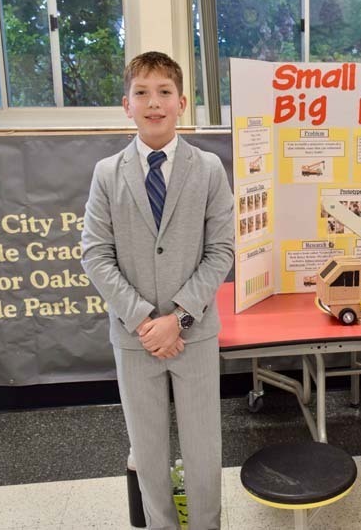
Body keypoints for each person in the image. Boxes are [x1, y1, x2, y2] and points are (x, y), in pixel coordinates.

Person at [81, 51, 234, 529]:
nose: (154, 103)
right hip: (136, 338)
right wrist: (146, 321)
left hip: (195, 333)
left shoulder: (208, 168)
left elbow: (221, 252)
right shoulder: (108, 173)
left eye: (164, 92)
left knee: (204, 451)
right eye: (142, 93)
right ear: (126, 104)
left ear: (181, 102)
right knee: (147, 452)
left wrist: (179, 318)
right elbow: (95, 255)